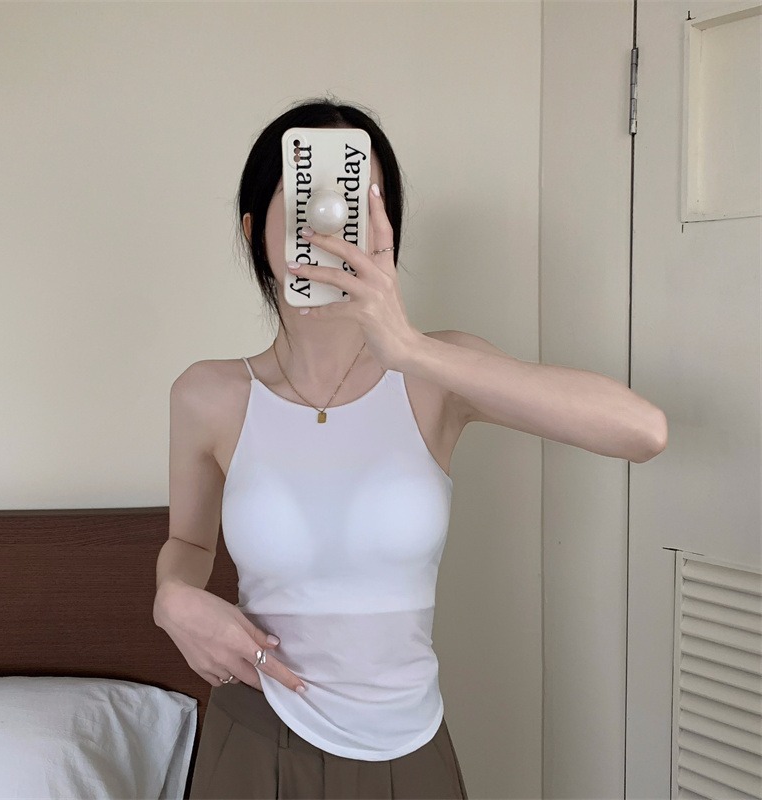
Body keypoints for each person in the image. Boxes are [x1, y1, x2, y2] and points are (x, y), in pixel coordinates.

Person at [153, 97, 667, 799]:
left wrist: (411, 347)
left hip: (409, 745)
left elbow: (642, 431)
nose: (330, 221)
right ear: (253, 230)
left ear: (388, 228)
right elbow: (188, 542)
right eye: (308, 197)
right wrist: (171, 596)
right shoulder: (207, 394)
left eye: (356, 200)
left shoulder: (436, 375)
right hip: (254, 736)